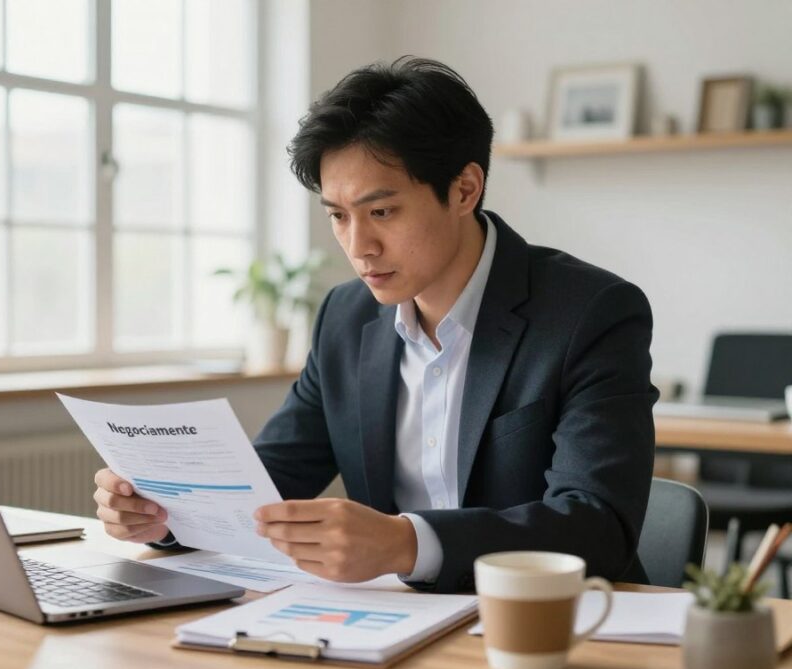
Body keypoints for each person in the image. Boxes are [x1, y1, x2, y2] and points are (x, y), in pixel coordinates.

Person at [93, 56, 658, 592]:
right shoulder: (346, 316)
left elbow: (597, 525)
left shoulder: (592, 312)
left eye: (381, 212)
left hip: (557, 625)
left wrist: (406, 544)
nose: (358, 246)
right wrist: (164, 515)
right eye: (339, 216)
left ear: (464, 189)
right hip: (391, 624)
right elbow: (270, 482)